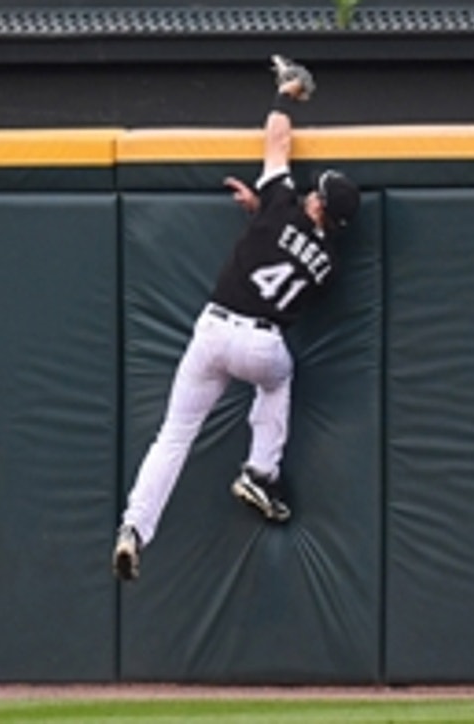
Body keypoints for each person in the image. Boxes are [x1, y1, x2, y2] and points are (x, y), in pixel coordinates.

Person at [112, 55, 361, 582]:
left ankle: (134, 527)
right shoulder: (329, 265)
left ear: (318, 206)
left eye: (319, 192)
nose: (313, 192)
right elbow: (290, 261)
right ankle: (259, 470)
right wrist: (263, 217)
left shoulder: (283, 204)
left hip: (215, 328)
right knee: (278, 383)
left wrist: (284, 95)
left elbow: (276, 140)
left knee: (174, 435)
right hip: (264, 343)